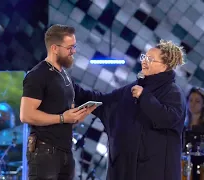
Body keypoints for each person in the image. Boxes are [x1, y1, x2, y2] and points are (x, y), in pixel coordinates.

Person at [74, 40, 186, 180]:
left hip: (154, 173)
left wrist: (144, 97)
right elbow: (106, 102)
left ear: (164, 66)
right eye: (144, 57)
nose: (144, 61)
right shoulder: (131, 88)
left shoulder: (173, 92)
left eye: (150, 59)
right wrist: (71, 88)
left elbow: (168, 119)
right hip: (124, 171)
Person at [20, 24, 96, 180]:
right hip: (44, 153)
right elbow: (26, 115)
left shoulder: (64, 75)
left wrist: (77, 116)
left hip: (66, 151)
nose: (73, 51)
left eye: (74, 47)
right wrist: (62, 118)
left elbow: (64, 116)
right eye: (70, 48)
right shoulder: (37, 75)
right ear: (55, 48)